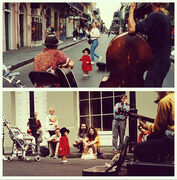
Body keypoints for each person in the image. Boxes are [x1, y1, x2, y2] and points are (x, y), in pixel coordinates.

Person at [128, 3, 172, 87]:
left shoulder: (155, 16)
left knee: (150, 86)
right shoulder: (164, 17)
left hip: (158, 62)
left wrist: (132, 9)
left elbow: (132, 29)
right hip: (163, 62)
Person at [134, 91, 174, 162]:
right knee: (151, 137)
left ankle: (151, 169)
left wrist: (146, 127)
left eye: (157, 92)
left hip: (171, 139)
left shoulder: (164, 101)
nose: (157, 93)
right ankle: (161, 161)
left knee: (138, 147)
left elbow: (158, 128)